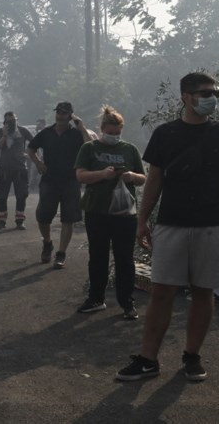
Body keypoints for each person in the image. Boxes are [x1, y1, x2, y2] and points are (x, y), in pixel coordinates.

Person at [116, 73, 219, 382]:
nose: (212, 97)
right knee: (162, 292)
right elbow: (154, 181)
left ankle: (192, 357)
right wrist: (142, 219)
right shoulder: (166, 134)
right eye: (204, 92)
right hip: (171, 224)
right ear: (185, 96)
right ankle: (148, 359)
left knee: (204, 293)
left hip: (213, 226)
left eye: (215, 92)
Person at [74, 106, 146, 319]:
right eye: (110, 132)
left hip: (124, 213)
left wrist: (132, 176)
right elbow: (81, 176)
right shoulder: (89, 149)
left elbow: (143, 178)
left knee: (125, 259)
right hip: (97, 211)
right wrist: (101, 174)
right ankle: (96, 298)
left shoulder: (129, 149)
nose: (113, 136)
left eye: (117, 133)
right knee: (98, 257)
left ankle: (127, 302)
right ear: (102, 128)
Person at [28, 102, 92, 268]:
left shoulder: (76, 134)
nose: (60, 116)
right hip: (49, 180)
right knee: (43, 216)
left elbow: (91, 147)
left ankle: (61, 253)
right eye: (58, 112)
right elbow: (31, 148)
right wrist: (38, 163)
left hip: (71, 181)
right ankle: (48, 243)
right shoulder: (47, 133)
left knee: (68, 219)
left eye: (64, 113)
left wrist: (82, 127)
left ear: (70, 115)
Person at [0, 111, 33, 230]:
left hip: (20, 168)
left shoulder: (23, 131)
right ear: (4, 122)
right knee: (2, 196)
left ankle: (20, 220)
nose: (11, 123)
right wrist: (5, 136)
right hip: (5, 168)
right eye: (8, 121)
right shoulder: (1, 131)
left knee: (21, 195)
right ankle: (1, 221)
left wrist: (27, 154)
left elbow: (35, 143)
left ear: (17, 120)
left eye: (13, 121)